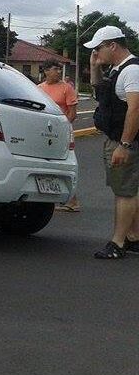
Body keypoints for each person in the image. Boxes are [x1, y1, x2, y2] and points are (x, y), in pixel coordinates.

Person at [85, 25, 139, 259]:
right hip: (117, 138)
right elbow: (100, 92)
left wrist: (124, 145)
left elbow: (135, 109)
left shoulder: (131, 71)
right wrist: (95, 67)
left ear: (113, 45)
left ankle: (118, 243)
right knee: (129, 190)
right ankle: (134, 237)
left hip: (125, 142)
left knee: (124, 192)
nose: (97, 53)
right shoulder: (117, 70)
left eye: (99, 48)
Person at [38, 60, 80, 211]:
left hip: (62, 131)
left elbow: (72, 113)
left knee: (64, 162)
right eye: (55, 69)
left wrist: (63, 129)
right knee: (44, 162)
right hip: (44, 132)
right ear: (46, 71)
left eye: (59, 69)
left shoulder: (66, 88)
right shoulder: (39, 88)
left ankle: (72, 200)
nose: (58, 72)